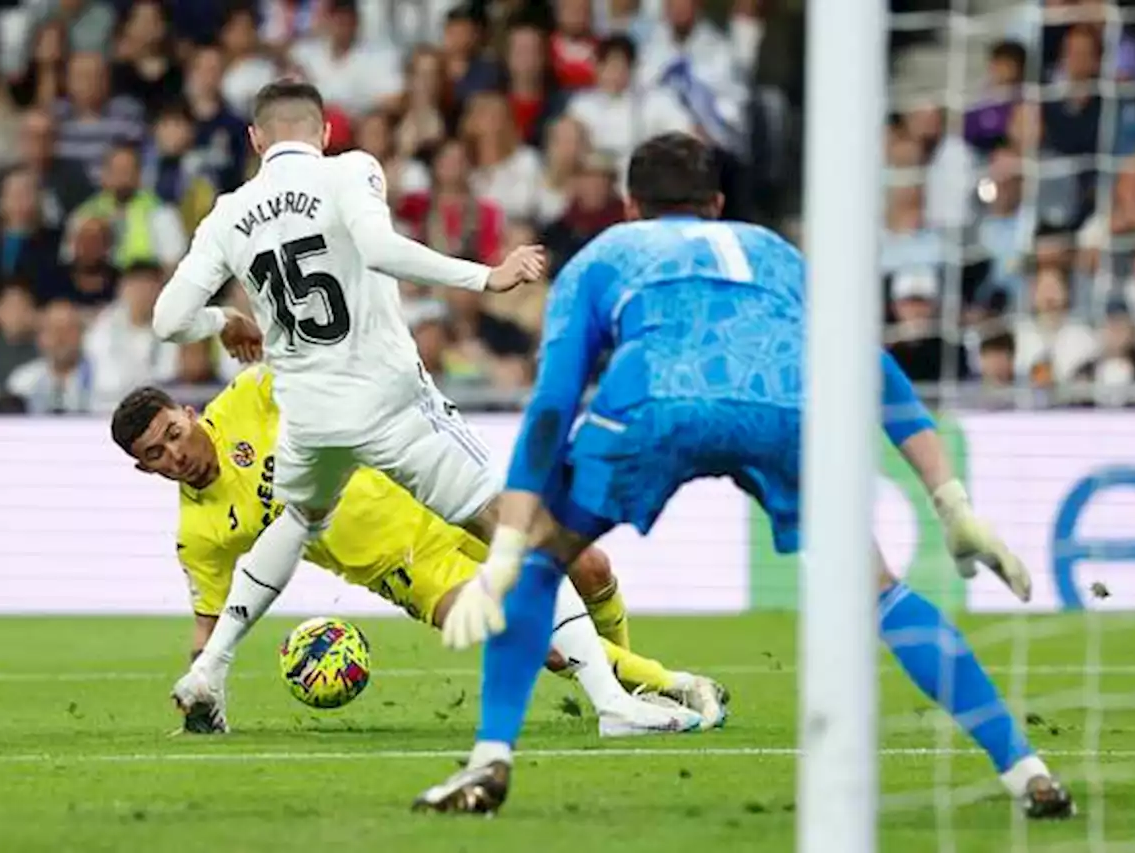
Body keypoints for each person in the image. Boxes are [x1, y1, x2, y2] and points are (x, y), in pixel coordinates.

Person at [413, 132, 1075, 820]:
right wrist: (950, 498)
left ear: (631, 206)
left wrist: (512, 542)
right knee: (878, 588)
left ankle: (490, 761)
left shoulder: (606, 255)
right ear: (718, 203)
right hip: (783, 407)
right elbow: (870, 367)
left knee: (545, 564)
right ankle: (1025, 768)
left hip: (656, 404)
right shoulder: (774, 253)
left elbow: (554, 402)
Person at [147, 80, 610, 735]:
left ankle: (210, 666)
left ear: (254, 140)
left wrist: (225, 315)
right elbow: (382, 250)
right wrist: (486, 275)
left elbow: (167, 320)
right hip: (387, 402)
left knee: (300, 517)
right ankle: (614, 701)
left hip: (309, 414)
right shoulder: (351, 170)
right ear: (325, 131)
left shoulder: (228, 211)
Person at [109, 369, 719, 735]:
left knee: (590, 566)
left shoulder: (248, 398)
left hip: (435, 488)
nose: (175, 450)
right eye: (156, 452)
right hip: (406, 568)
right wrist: (204, 692)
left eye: (173, 431)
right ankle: (672, 686)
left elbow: (307, 362)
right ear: (142, 469)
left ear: (188, 413)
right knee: (546, 644)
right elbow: (210, 624)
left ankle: (628, 681)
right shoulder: (201, 533)